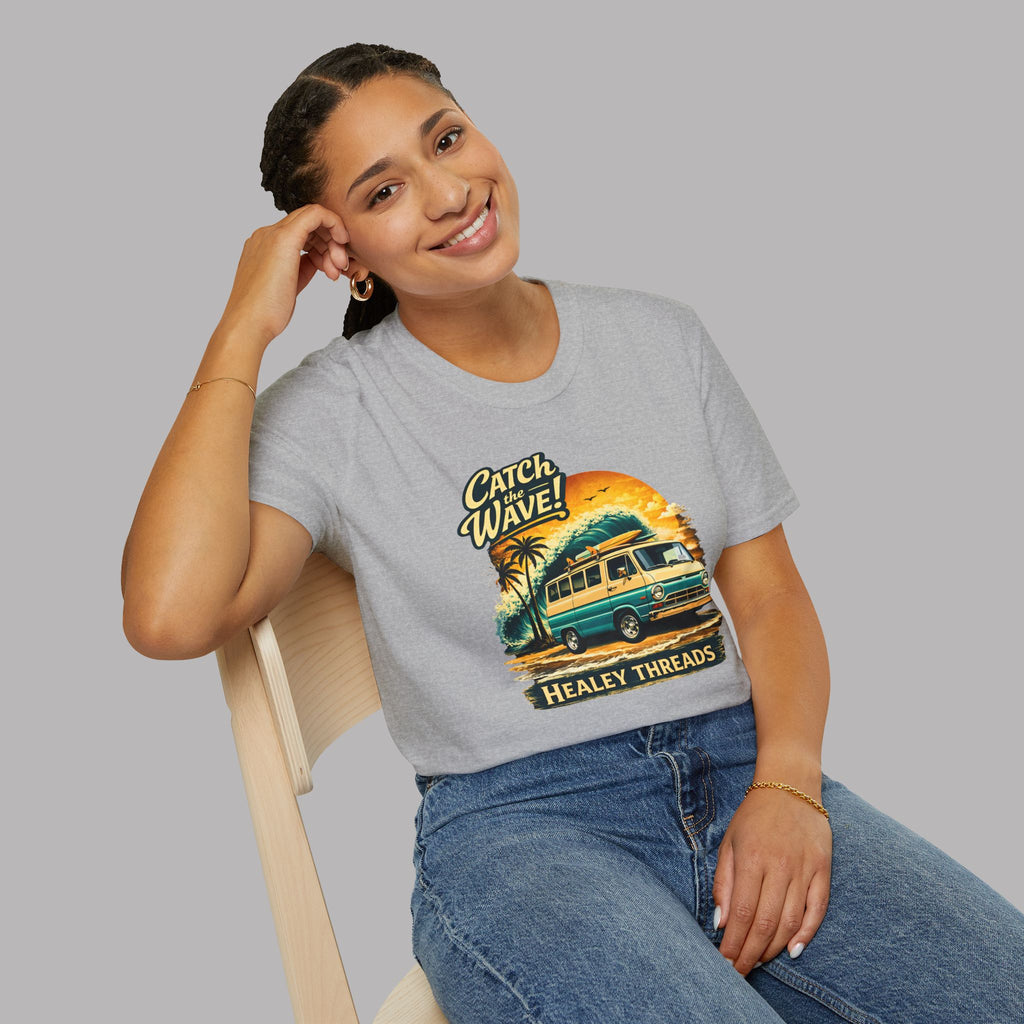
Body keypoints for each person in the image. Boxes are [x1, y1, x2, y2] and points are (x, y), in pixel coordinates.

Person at [122, 43, 1024, 1023]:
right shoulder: (335, 413)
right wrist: (240, 328)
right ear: (342, 253)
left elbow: (768, 597)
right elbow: (170, 614)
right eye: (384, 192)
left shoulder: (662, 339)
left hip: (743, 767)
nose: (448, 191)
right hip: (522, 832)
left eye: (448, 139)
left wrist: (790, 786)